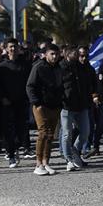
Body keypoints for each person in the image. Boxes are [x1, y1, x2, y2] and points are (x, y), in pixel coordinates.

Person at [26, 43, 64, 176]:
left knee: (50, 135)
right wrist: (36, 103)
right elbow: (30, 86)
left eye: (56, 54)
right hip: (41, 105)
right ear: (46, 54)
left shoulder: (59, 68)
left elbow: (61, 86)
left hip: (55, 105)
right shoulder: (38, 67)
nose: (54, 56)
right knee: (43, 132)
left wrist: (61, 102)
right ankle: (38, 164)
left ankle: (46, 162)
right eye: (52, 54)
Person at [0, 38, 30, 168]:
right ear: (6, 48)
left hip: (22, 101)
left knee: (22, 130)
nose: (13, 49)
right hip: (7, 102)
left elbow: (29, 82)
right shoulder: (2, 66)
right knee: (8, 130)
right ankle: (11, 154)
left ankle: (16, 148)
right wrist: (3, 98)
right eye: (10, 47)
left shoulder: (25, 64)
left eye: (15, 46)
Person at [60, 46, 93, 171]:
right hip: (67, 106)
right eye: (75, 54)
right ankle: (68, 159)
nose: (78, 56)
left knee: (85, 132)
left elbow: (89, 83)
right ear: (67, 54)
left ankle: (74, 150)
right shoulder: (61, 67)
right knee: (67, 133)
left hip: (82, 105)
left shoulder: (83, 68)